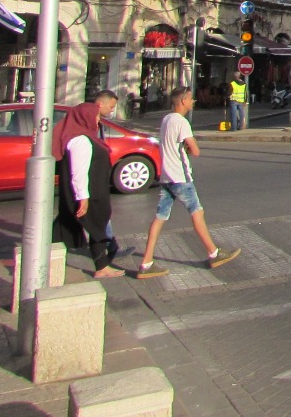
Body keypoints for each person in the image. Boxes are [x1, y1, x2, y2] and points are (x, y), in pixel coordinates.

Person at [137, 86, 241, 278]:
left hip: (166, 177)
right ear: (183, 101)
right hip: (180, 177)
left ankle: (146, 262)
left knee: (160, 217)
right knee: (197, 212)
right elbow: (195, 150)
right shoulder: (182, 122)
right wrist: (187, 147)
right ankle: (214, 253)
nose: (193, 101)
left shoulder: (166, 119)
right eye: (191, 98)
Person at [52, 91, 127, 279]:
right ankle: (101, 266)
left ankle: (100, 265)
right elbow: (79, 172)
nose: (97, 121)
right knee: (95, 225)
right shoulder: (81, 141)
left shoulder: (85, 137)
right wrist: (83, 197)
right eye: (95, 117)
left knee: (73, 225)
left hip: (93, 191)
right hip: (89, 193)